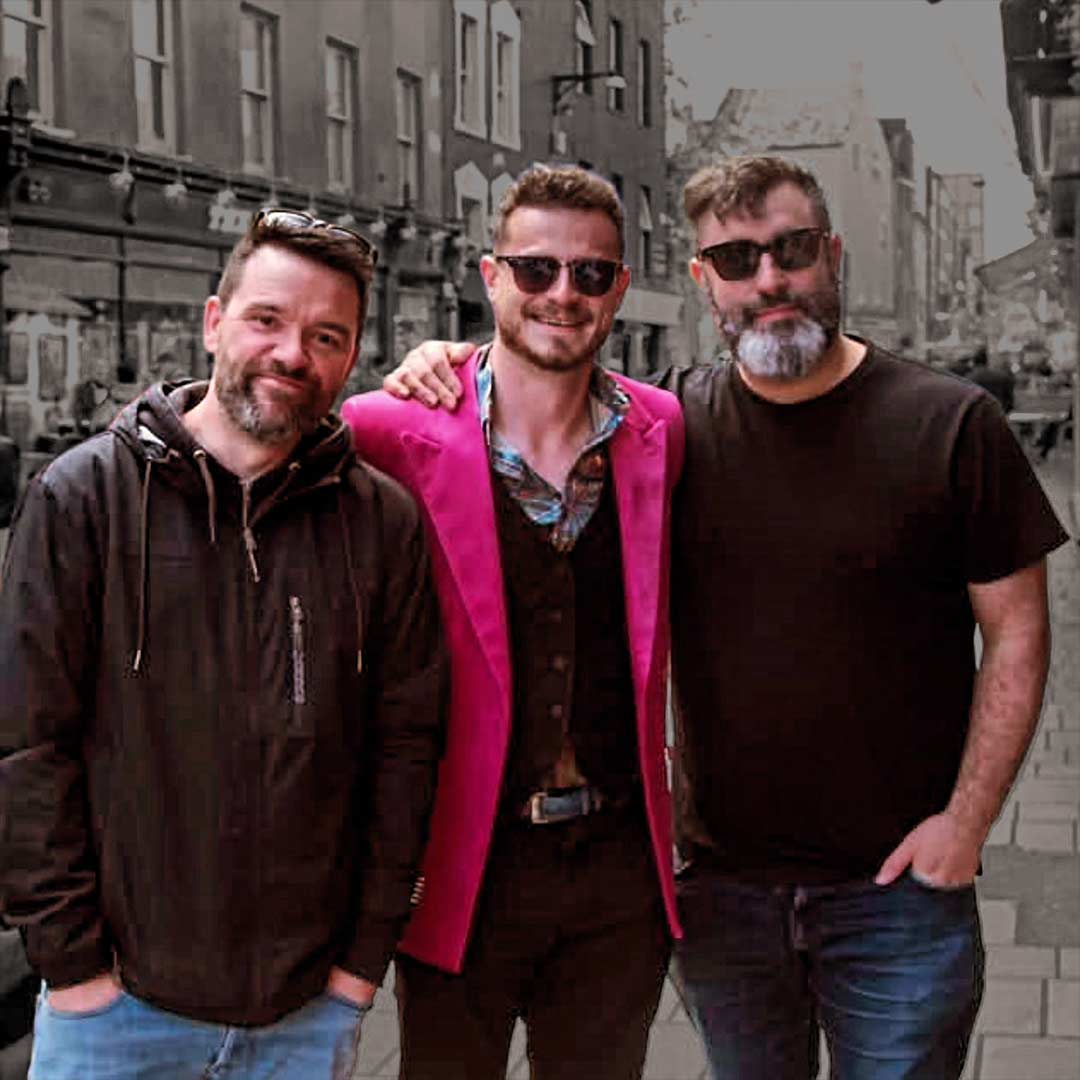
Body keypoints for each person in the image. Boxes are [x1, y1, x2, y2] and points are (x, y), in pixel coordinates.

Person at [382, 154, 1069, 1080]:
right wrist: (445, 359)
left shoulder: (950, 424)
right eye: (737, 259)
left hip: (898, 890)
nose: (769, 280)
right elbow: (535, 376)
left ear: (833, 256)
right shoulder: (672, 424)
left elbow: (1019, 631)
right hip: (721, 889)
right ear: (703, 281)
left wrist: (968, 821)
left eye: (790, 251)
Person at [0, 209, 446, 1080]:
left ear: (351, 358)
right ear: (214, 322)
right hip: (117, 1013)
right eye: (267, 321)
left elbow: (407, 750)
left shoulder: (380, 522)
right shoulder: (82, 498)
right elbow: (26, 747)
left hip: (304, 1012)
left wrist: (360, 966)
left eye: (327, 336)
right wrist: (74, 967)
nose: (293, 355)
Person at [342, 165, 684, 1080]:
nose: (561, 295)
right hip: (465, 864)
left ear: (618, 287)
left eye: (591, 274)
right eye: (535, 270)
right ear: (490, 278)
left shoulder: (662, 429)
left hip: (619, 871)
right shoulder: (385, 430)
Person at [966, 345, 1015, 414]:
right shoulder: (1002, 376)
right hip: (999, 414)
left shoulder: (969, 378)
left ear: (974, 363)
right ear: (987, 361)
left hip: (978, 416)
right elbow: (1010, 400)